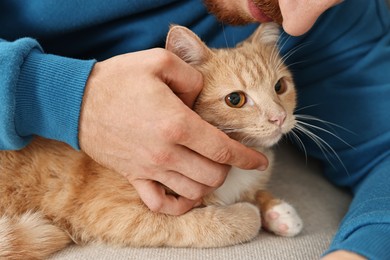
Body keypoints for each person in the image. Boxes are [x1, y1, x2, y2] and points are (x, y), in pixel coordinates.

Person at [0, 0, 389, 259]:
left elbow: (383, 148)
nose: (297, 22)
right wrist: (66, 95)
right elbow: (100, 211)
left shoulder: (319, 15)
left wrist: (360, 251)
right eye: (237, 100)